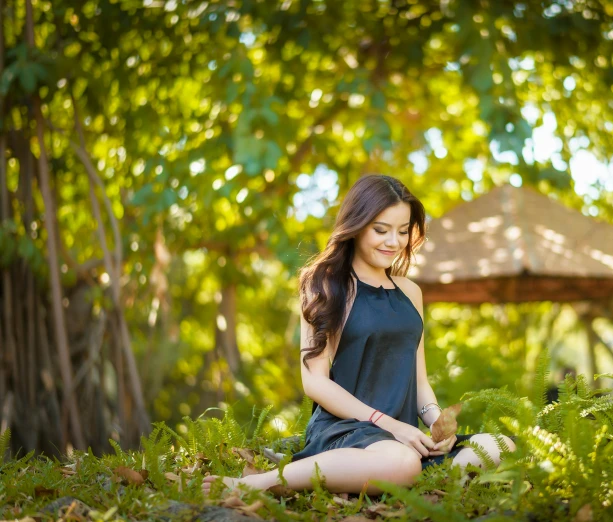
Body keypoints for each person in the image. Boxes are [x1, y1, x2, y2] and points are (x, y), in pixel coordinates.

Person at [202, 175, 516, 496]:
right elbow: (315, 382)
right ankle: (257, 484)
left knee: (499, 445)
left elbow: (419, 382)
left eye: (403, 231)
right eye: (381, 230)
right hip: (347, 430)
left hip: (404, 436)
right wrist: (390, 426)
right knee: (402, 463)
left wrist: (437, 424)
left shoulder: (410, 291)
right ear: (357, 225)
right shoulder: (324, 285)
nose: (393, 242)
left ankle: (426, 481)